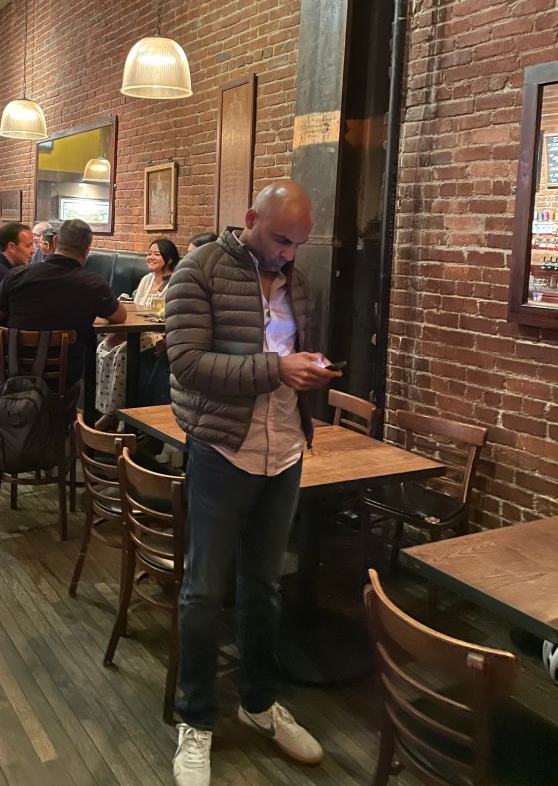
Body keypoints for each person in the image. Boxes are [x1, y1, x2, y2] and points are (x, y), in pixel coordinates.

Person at [165, 181, 343, 785]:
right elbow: (186, 364)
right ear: (250, 219)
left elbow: (295, 352)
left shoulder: (299, 280)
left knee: (264, 587)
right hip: (222, 450)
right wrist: (277, 368)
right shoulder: (199, 270)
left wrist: (309, 368)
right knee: (203, 591)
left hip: (287, 451)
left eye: (299, 243)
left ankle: (260, 702)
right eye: (280, 239)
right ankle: (195, 719)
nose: (290, 253)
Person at [0, 219, 126, 433]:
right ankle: (40, 435)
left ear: (56, 241)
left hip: (13, 368)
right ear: (87, 250)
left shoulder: (18, 275)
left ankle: (8, 432)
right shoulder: (93, 283)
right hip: (65, 376)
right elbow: (120, 316)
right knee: (67, 390)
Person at [94, 237, 180, 431]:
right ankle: (103, 408)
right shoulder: (146, 280)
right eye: (149, 253)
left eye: (156, 254)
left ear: (170, 259)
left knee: (123, 352)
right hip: (138, 330)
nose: (150, 257)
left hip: (156, 333)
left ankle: (115, 414)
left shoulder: (174, 283)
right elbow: (135, 308)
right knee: (104, 346)